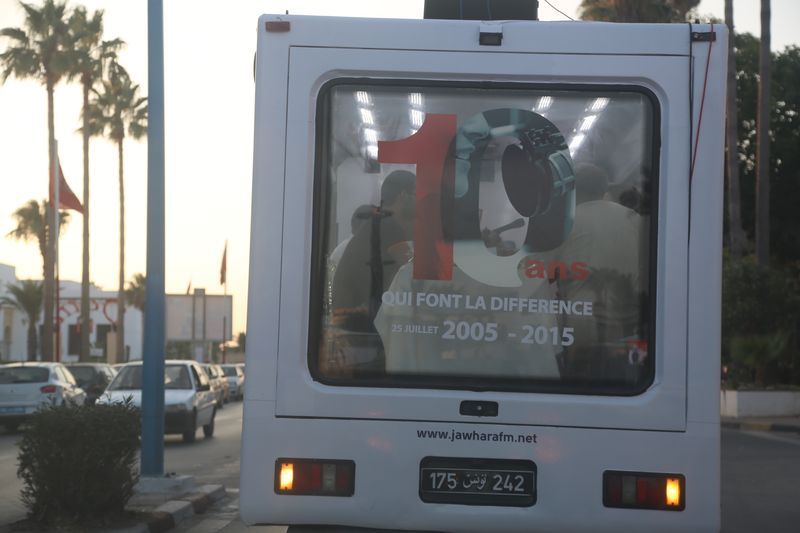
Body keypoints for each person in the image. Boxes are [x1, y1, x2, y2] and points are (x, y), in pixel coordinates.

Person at [549, 162, 645, 380]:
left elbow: (541, 274)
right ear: (603, 190)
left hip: (581, 329)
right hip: (627, 325)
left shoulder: (566, 222)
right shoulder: (633, 219)